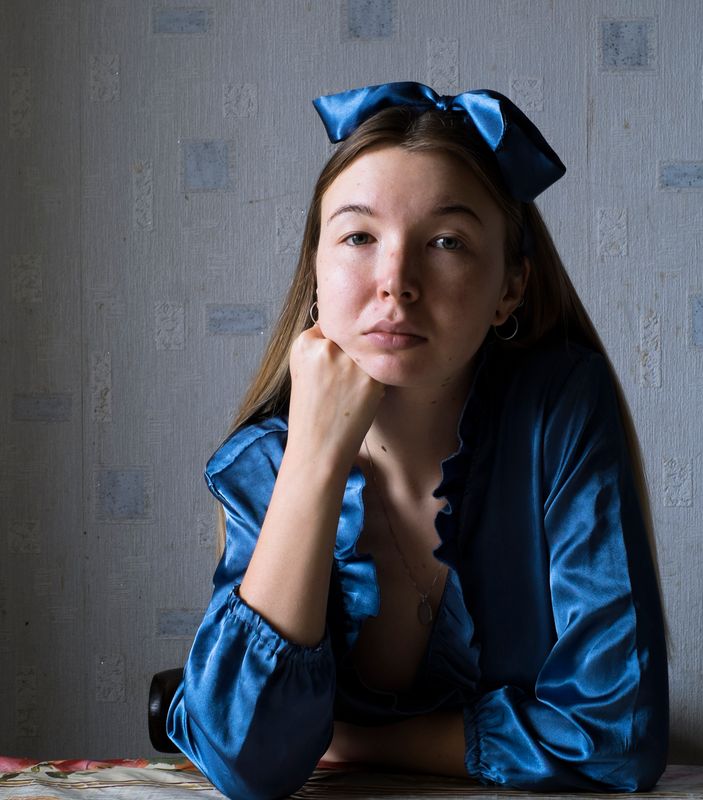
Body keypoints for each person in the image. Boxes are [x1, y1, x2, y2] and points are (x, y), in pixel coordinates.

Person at [167, 81, 669, 800]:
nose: (395, 283)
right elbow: (245, 761)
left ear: (510, 287)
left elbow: (617, 736)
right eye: (359, 237)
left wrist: (356, 741)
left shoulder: (559, 412)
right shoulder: (264, 462)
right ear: (316, 273)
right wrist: (312, 453)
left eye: (445, 242)